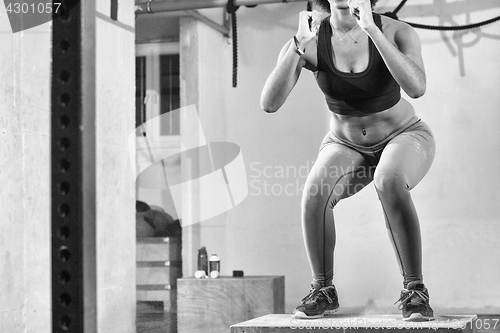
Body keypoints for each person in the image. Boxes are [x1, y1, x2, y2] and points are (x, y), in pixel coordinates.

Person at [260, 0, 436, 321]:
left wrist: (371, 29)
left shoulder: (397, 32)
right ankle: (323, 290)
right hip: (346, 143)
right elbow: (269, 103)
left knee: (389, 180)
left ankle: (415, 290)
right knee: (314, 192)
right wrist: (298, 48)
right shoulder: (310, 39)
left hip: (405, 135)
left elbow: (417, 87)